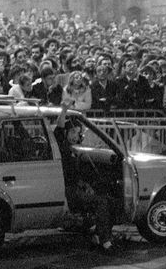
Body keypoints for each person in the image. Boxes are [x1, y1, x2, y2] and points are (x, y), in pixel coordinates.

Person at [53, 97, 116, 252]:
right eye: (73, 132)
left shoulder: (75, 149)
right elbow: (59, 129)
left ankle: (96, 233)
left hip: (76, 188)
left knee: (109, 201)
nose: (76, 135)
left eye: (78, 132)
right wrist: (64, 110)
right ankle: (105, 240)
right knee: (102, 202)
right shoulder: (63, 147)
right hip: (69, 191)